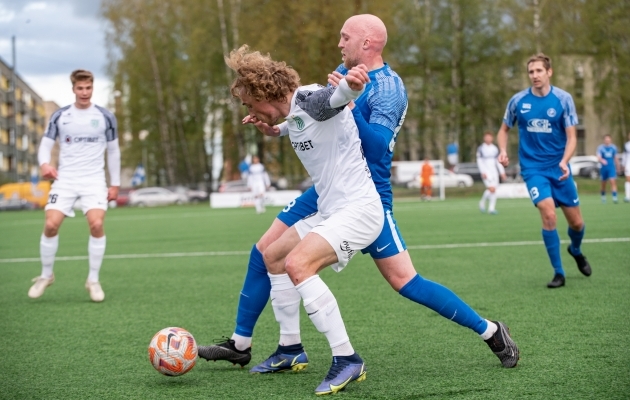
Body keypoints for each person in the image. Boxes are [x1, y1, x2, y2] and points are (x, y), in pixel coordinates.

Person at [198, 13, 518, 379]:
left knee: (405, 282)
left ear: (367, 42)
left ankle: (490, 330)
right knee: (268, 251)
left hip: (367, 193)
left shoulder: (388, 89)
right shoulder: (344, 70)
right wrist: (280, 129)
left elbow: (378, 147)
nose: (339, 43)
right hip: (327, 189)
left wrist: (348, 100)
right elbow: (314, 113)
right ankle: (258, 344)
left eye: (344, 37)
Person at [227, 44, 383, 395]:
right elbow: (301, 121)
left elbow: (333, 99)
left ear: (264, 93)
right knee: (273, 255)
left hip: (358, 210)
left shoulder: (311, 97)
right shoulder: (296, 112)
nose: (249, 110)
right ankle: (290, 349)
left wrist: (352, 85)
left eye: (250, 103)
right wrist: (275, 131)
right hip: (333, 210)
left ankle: (347, 358)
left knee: (298, 264)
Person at [497, 53, 591, 289]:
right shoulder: (518, 101)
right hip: (533, 168)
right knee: (549, 215)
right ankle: (558, 273)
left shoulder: (564, 99)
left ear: (549, 72)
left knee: (577, 224)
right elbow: (503, 130)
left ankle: (576, 250)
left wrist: (565, 160)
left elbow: (572, 137)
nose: (535, 75)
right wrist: (502, 150)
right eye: (531, 72)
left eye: (539, 71)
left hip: (559, 168)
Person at [29, 69, 120, 302]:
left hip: (94, 180)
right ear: (73, 89)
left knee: (96, 224)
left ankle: (93, 280)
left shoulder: (105, 116)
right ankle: (46, 275)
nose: (84, 92)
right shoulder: (61, 116)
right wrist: (44, 164)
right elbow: (45, 145)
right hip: (65, 179)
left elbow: (113, 152)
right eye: (80, 88)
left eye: (88, 88)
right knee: (50, 225)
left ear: (92, 88)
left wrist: (115, 184)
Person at [477, 131, 507, 214]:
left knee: (494, 190)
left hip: (494, 172)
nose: (488, 138)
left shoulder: (495, 148)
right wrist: (482, 171)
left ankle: (490, 208)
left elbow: (498, 161)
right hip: (486, 172)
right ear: (484, 138)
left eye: (489, 137)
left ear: (492, 138)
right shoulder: (481, 148)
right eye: (486, 137)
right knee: (491, 189)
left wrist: (502, 172)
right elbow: (479, 161)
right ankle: (483, 203)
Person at [596, 135, 620, 204]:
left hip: (611, 167)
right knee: (603, 183)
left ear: (610, 140)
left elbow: (615, 157)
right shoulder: (600, 148)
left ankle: (614, 197)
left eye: (608, 139)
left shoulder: (613, 148)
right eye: (606, 139)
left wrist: (618, 166)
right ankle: (603, 197)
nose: (607, 141)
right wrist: (602, 160)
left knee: (612, 181)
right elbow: (598, 156)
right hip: (604, 168)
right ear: (604, 140)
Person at [624, 132, 630, 203]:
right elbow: (624, 156)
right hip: (628, 164)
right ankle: (628, 196)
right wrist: (624, 164)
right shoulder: (627, 145)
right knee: (628, 179)